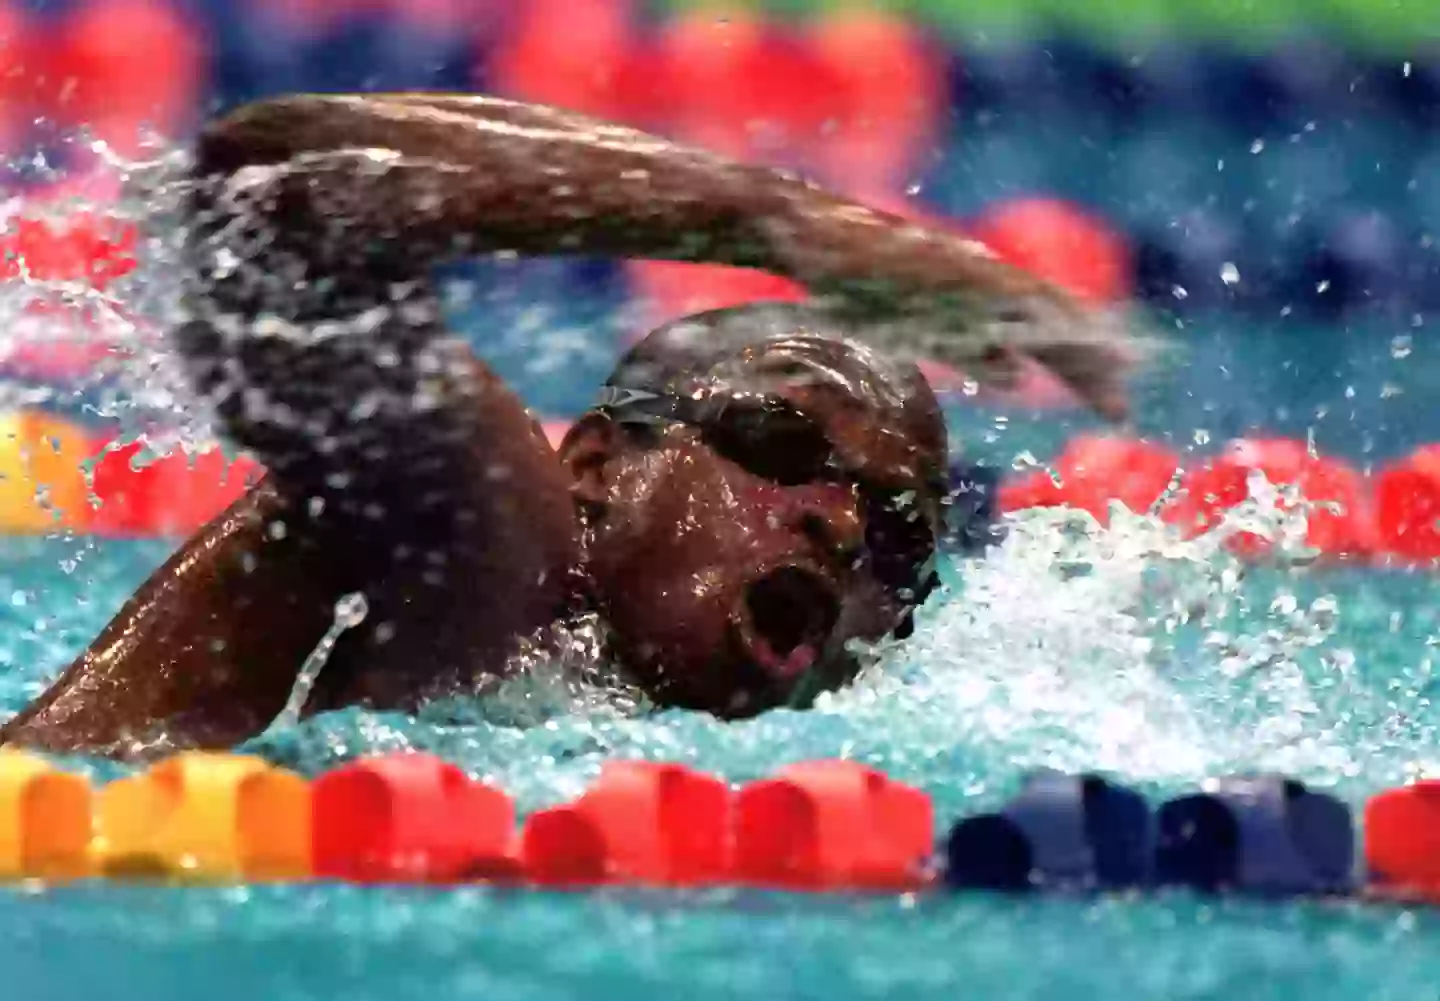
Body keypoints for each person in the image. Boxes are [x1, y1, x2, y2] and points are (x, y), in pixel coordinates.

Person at [0, 93, 1143, 758]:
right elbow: (264, 199)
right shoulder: (508, 558)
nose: (841, 522)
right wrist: (773, 217)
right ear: (596, 463)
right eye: (780, 444)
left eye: (900, 531)